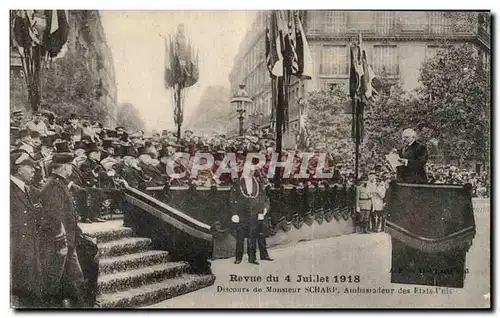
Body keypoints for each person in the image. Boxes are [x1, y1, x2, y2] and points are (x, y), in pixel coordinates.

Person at [38, 147, 86, 307]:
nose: (72, 169)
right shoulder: (53, 186)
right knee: (73, 277)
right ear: (65, 167)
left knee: (68, 277)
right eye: (71, 166)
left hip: (68, 240)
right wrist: (63, 243)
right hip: (62, 243)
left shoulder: (58, 184)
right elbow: (56, 218)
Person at [10, 150, 44, 307]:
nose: (34, 170)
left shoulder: (26, 188)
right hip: (16, 249)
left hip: (29, 245)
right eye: (29, 166)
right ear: (18, 169)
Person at [230, 164, 273, 265]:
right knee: (240, 236)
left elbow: (261, 198)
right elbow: (232, 199)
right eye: (248, 170)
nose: (250, 172)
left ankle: (252, 258)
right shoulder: (238, 183)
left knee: (252, 236)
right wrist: (234, 213)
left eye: (252, 170)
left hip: (254, 213)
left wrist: (261, 212)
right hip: (241, 213)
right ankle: (238, 257)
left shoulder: (257, 183)